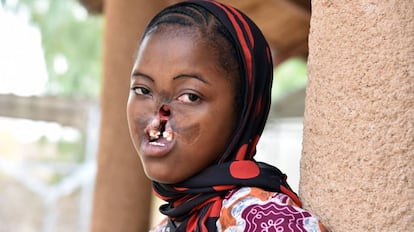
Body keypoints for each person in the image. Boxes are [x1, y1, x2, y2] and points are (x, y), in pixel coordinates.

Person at [126, 0, 328, 231]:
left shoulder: (268, 222)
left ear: (242, 112)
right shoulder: (170, 225)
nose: (159, 116)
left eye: (190, 96)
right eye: (143, 90)